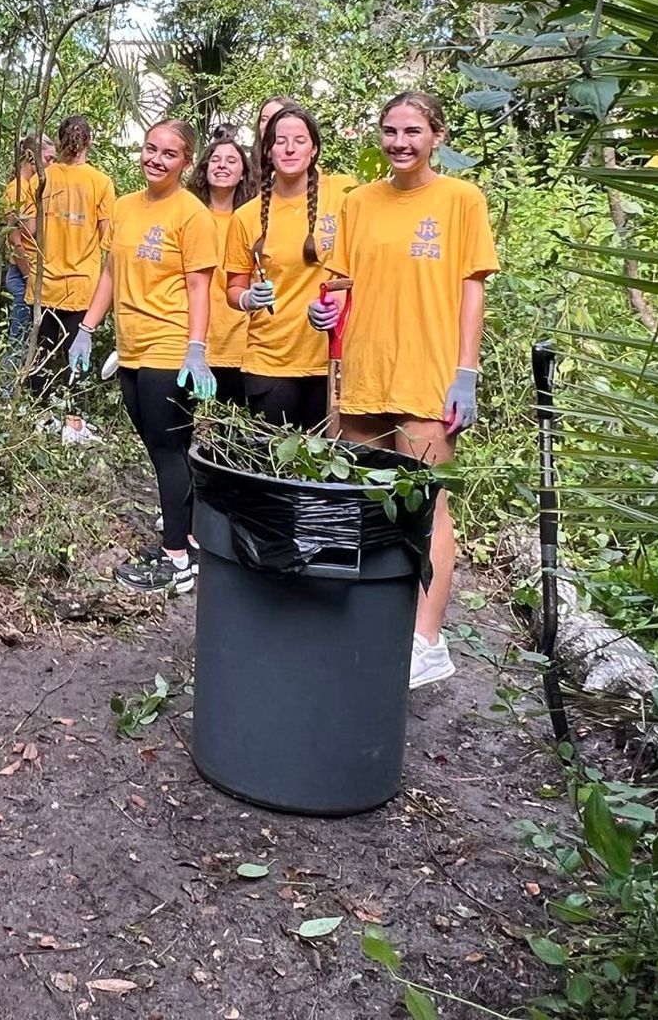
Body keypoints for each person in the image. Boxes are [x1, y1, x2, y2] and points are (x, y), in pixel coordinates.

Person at [317, 91, 497, 689]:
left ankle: (427, 640)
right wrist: (327, 312)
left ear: (437, 136)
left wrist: (465, 372)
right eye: (391, 130)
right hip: (366, 374)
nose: (400, 142)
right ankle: (366, 617)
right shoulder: (359, 203)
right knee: (359, 502)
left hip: (427, 375)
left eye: (413, 131)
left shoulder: (460, 200)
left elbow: (473, 289)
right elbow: (340, 282)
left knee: (427, 508)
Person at [68, 120, 218, 593]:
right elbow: (111, 273)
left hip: (170, 345)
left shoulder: (191, 214)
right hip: (131, 346)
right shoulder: (125, 206)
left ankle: (176, 560)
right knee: (159, 449)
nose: (156, 159)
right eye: (151, 148)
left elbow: (200, 286)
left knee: (169, 449)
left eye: (169, 154)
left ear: (186, 161)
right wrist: (87, 329)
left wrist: (196, 349)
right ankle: (188, 538)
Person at [225, 104, 354, 429]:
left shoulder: (345, 195)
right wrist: (247, 298)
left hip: (332, 359)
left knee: (323, 470)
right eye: (280, 140)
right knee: (272, 470)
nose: (290, 148)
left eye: (300, 139)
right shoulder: (246, 216)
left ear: (314, 148)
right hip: (269, 361)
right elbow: (233, 288)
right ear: (267, 149)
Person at [26, 115, 115, 398]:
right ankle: (73, 418)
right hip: (82, 287)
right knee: (77, 360)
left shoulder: (43, 177)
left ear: (61, 139)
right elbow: (108, 239)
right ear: (89, 140)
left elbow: (27, 229)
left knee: (41, 359)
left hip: (44, 284)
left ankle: (37, 415)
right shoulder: (100, 182)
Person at [188, 130, 256, 404]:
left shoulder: (253, 219)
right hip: (192, 338)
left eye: (231, 161)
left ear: (243, 173)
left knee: (234, 429)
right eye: (216, 160)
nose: (222, 166)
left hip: (240, 340)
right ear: (204, 169)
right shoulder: (189, 214)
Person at [0, 136, 55, 354]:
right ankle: (7, 387)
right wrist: (28, 274)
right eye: (48, 159)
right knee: (18, 339)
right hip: (23, 273)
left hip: (33, 271)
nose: (51, 165)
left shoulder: (33, 189)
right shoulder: (17, 190)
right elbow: (15, 238)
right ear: (31, 157)